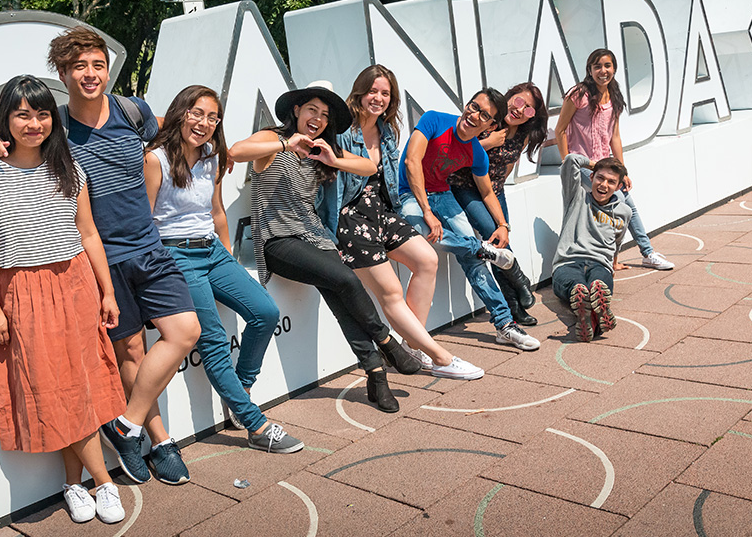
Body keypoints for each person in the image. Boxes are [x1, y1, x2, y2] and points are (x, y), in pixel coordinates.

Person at [0, 27, 201, 486]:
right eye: (79, 66)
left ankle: (126, 424)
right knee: (131, 349)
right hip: (100, 258)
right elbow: (9, 158)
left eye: (98, 65)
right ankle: (159, 439)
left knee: (185, 332)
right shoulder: (53, 126)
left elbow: (172, 150)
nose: (91, 74)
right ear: (63, 73)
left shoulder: (133, 111)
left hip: (148, 246)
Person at [0, 75, 126, 524]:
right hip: (23, 289)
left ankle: (74, 484)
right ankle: (105, 480)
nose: (33, 123)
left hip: (76, 281)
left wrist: (107, 291)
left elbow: (88, 233)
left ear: (54, 118)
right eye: (22, 114)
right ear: (5, 119)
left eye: (42, 113)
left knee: (83, 382)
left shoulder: (68, 168)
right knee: (53, 388)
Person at [230, 80, 422, 414]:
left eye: (324, 114)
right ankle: (387, 341)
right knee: (347, 280)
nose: (317, 118)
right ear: (296, 111)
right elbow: (235, 151)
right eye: (311, 110)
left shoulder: (322, 150)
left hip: (315, 237)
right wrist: (286, 144)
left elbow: (369, 167)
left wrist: (334, 160)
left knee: (341, 297)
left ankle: (377, 375)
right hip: (278, 239)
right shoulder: (274, 139)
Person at [143, 85, 302, 453]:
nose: (204, 123)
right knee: (213, 343)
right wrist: (159, 273)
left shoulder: (212, 156)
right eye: (197, 113)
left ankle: (241, 390)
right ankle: (256, 424)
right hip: (175, 256)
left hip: (212, 251)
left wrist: (227, 256)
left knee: (265, 311)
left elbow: (216, 211)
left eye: (212, 117)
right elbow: (147, 223)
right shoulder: (156, 160)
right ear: (181, 111)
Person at [317, 65, 484, 380]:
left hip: (380, 211)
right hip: (347, 216)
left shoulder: (387, 132)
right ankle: (439, 357)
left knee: (427, 260)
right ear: (359, 91)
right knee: (390, 292)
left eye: (385, 93)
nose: (378, 98)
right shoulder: (339, 130)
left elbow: (388, 182)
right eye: (373, 91)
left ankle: (412, 346)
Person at [399, 89, 540, 352]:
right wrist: (427, 211)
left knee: (473, 262)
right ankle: (479, 247)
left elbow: (487, 191)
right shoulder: (434, 120)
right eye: (473, 107)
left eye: (484, 115)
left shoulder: (477, 153)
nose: (473, 115)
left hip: (443, 194)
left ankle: (505, 325)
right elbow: (411, 160)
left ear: (491, 125)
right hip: (410, 194)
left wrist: (502, 225)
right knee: (422, 233)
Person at [554, 48, 674, 271]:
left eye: (607, 66)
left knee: (626, 204)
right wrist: (567, 162)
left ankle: (639, 254)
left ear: (614, 69)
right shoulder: (579, 94)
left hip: (606, 165)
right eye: (597, 66)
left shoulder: (614, 95)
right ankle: (643, 253)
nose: (603, 71)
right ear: (589, 70)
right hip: (584, 166)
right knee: (621, 204)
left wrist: (623, 171)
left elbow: (615, 136)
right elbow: (560, 130)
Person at [449, 82, 548, 327]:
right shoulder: (488, 123)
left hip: (493, 191)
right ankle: (520, 281)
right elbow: (459, 151)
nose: (519, 110)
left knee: (500, 242)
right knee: (493, 237)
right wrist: (489, 143)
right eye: (517, 102)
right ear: (508, 98)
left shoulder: (522, 135)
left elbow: (508, 166)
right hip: (465, 187)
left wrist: (497, 190)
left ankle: (514, 307)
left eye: (528, 109)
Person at [553, 154, 631, 342]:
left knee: (599, 283)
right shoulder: (576, 196)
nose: (604, 185)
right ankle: (592, 313)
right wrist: (598, 164)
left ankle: (588, 313)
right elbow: (571, 159)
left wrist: (614, 263)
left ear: (619, 187)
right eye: (600, 178)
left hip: (600, 264)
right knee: (575, 285)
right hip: (568, 262)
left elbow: (617, 242)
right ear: (591, 177)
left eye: (611, 181)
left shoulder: (624, 212)